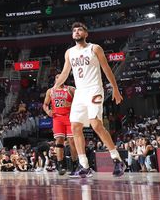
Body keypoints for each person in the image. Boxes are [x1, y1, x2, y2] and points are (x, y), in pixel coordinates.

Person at [54, 22, 126, 178]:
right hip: (80, 92)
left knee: (96, 124)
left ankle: (117, 159)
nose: (77, 32)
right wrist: (55, 87)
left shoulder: (95, 48)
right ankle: (84, 165)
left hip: (94, 89)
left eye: (80, 30)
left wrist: (115, 88)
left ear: (86, 34)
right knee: (75, 126)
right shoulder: (69, 52)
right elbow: (65, 72)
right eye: (74, 30)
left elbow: (106, 69)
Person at [43, 77, 77, 175]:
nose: (59, 79)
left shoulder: (70, 89)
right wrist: (47, 111)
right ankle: (61, 164)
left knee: (72, 141)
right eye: (57, 78)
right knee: (59, 140)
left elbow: (80, 100)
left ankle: (75, 164)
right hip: (57, 118)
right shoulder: (50, 91)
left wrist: (72, 104)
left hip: (70, 117)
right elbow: (45, 104)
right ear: (54, 80)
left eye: (61, 77)